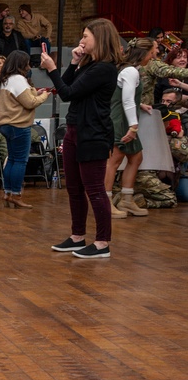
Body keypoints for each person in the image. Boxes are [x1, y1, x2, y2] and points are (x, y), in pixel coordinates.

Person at [41, 18, 122, 259]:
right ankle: (77, 237)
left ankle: (102, 242)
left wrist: (51, 67)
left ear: (100, 38)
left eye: (86, 36)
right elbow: (64, 85)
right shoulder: (89, 65)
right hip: (75, 130)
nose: (81, 40)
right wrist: (74, 62)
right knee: (74, 188)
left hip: (93, 134)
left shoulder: (104, 68)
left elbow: (67, 93)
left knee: (95, 190)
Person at [104, 38, 156, 219]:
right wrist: (133, 126)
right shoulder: (130, 71)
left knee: (136, 157)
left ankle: (126, 198)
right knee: (114, 160)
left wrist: (139, 104)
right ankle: (105, 202)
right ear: (144, 53)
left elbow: (126, 95)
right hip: (120, 122)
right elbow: (125, 99)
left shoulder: (128, 69)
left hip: (125, 119)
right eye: (152, 52)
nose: (154, 55)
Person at [0, 51, 49, 208]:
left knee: (11, 159)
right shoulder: (18, 79)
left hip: (6, 125)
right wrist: (44, 95)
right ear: (20, 64)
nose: (28, 66)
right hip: (18, 125)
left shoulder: (4, 80)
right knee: (20, 161)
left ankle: (7, 193)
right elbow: (30, 103)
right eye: (26, 63)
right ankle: (16, 194)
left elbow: (22, 97)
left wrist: (35, 93)